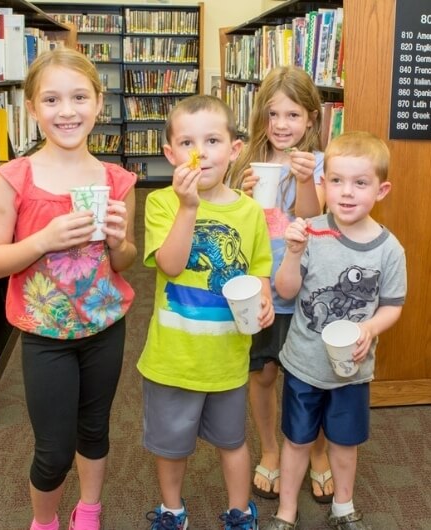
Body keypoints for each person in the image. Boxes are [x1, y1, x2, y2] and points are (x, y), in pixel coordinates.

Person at [0, 48, 137, 530]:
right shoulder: (14, 178)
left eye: (79, 97)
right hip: (44, 335)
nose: (67, 111)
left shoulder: (115, 179)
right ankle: (44, 520)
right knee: (52, 447)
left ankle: (88, 509)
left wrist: (116, 239)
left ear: (98, 102)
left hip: (105, 326)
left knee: (94, 430)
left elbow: (125, 260)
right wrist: (43, 240)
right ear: (31, 107)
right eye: (51, 99)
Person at [137, 94, 275, 530]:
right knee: (171, 446)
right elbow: (171, 264)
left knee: (233, 442)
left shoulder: (250, 212)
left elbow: (258, 268)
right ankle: (173, 510)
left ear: (235, 149)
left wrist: (265, 297)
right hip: (173, 359)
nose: (200, 153)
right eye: (188, 143)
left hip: (227, 361)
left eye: (213, 140)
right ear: (170, 153)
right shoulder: (162, 204)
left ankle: (240, 511)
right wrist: (189, 206)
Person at [262, 131, 407, 530]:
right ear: (323, 184)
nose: (347, 193)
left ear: (382, 189)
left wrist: (371, 328)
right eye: (337, 180)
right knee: (296, 440)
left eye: (360, 183)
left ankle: (344, 506)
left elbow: (393, 306)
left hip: (352, 372)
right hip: (305, 365)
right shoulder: (311, 231)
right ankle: (286, 511)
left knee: (345, 443)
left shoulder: (388, 249)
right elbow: (286, 291)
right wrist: (292, 255)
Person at [228, 66, 334, 503]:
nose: (282, 125)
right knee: (264, 373)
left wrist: (306, 177)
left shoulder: (321, 163)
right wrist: (241, 192)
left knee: (311, 378)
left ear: (311, 118)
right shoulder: (246, 162)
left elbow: (313, 216)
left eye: (293, 115)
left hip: (307, 292)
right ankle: (270, 448)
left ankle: (318, 452)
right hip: (260, 291)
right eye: (273, 115)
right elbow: (231, 223)